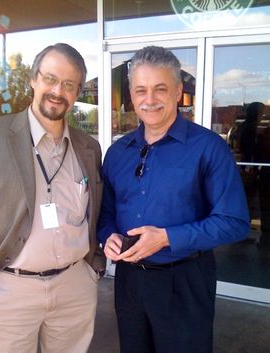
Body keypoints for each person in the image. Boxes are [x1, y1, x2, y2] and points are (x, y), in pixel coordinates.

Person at [97, 46, 250, 353]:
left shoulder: (208, 148)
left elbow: (234, 223)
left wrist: (167, 238)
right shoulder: (117, 152)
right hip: (129, 282)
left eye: (160, 89)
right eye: (141, 90)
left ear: (178, 91)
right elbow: (106, 212)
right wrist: (107, 236)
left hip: (184, 281)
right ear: (131, 94)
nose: (149, 99)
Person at [0, 43, 105, 353]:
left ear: (77, 93)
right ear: (33, 79)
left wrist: (94, 265)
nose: (58, 91)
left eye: (69, 85)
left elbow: (95, 210)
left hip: (75, 287)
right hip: (8, 290)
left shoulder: (88, 147)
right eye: (50, 79)